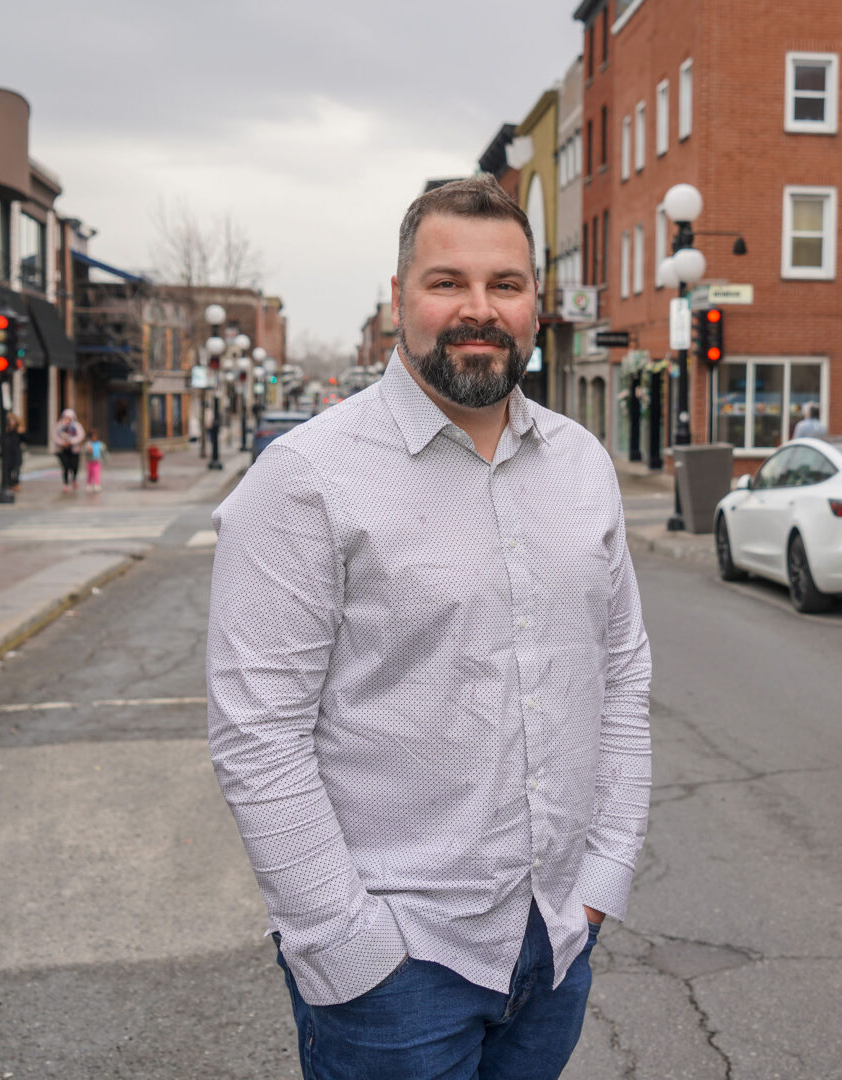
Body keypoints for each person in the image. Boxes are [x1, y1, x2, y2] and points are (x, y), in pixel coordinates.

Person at [208, 175, 652, 1080]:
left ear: (539, 305)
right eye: (447, 282)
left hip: (556, 940)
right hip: (399, 968)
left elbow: (622, 680)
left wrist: (603, 879)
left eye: (506, 285)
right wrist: (348, 944)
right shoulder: (306, 479)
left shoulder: (581, 466)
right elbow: (259, 736)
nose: (478, 310)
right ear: (400, 300)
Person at [52, 408, 85, 492]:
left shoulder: (76, 426)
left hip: (74, 450)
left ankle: (74, 479)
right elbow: (54, 436)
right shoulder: (59, 426)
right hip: (63, 450)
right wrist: (62, 443)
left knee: (74, 466)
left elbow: (80, 436)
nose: (67, 419)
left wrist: (71, 441)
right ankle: (66, 484)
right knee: (65, 466)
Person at [3, 413, 26, 491]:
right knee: (8, 469)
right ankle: (9, 484)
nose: (12, 422)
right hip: (8, 452)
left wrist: (22, 432)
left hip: (16, 453)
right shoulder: (6, 430)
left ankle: (16, 484)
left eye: (13, 420)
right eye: (10, 421)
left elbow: (25, 440)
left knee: (16, 469)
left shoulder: (18, 430)